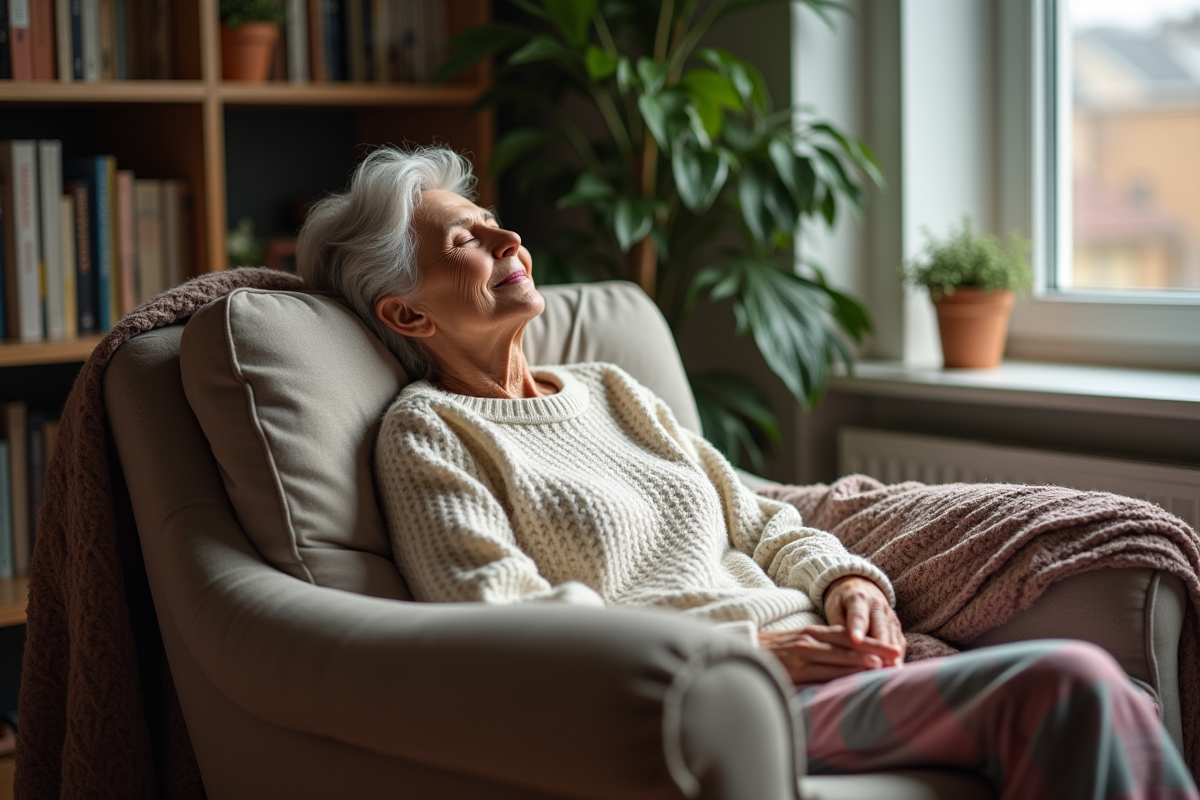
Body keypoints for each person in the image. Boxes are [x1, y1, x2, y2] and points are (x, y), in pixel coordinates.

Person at [296, 145, 1198, 800]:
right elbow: (504, 620)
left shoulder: (609, 391)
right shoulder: (431, 436)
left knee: (1095, 693)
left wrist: (848, 581)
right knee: (1068, 684)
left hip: (834, 661)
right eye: (464, 240)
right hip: (731, 702)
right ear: (406, 315)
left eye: (496, 224)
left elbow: (758, 517)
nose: (507, 238)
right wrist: (743, 654)